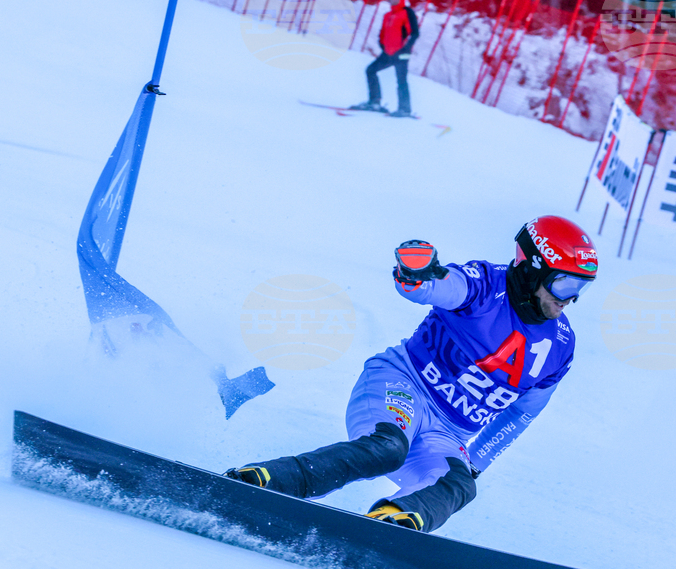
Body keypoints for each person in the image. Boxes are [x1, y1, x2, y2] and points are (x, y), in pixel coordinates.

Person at [226, 216, 599, 533]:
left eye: (580, 288)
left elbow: (522, 414)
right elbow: (441, 287)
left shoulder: (561, 347)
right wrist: (417, 276)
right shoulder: (486, 284)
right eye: (564, 283)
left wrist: (475, 464)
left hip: (446, 433)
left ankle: (394, 524)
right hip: (402, 386)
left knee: (461, 485)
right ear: (533, 268)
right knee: (386, 449)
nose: (569, 299)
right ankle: (268, 482)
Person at [350, 0, 419, 118]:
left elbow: (414, 33)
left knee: (401, 80)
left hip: (402, 54)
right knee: (371, 70)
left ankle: (405, 110)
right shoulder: (388, 15)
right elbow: (382, 35)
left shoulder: (407, 12)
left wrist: (405, 48)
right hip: (388, 54)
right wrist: (383, 46)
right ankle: (374, 102)